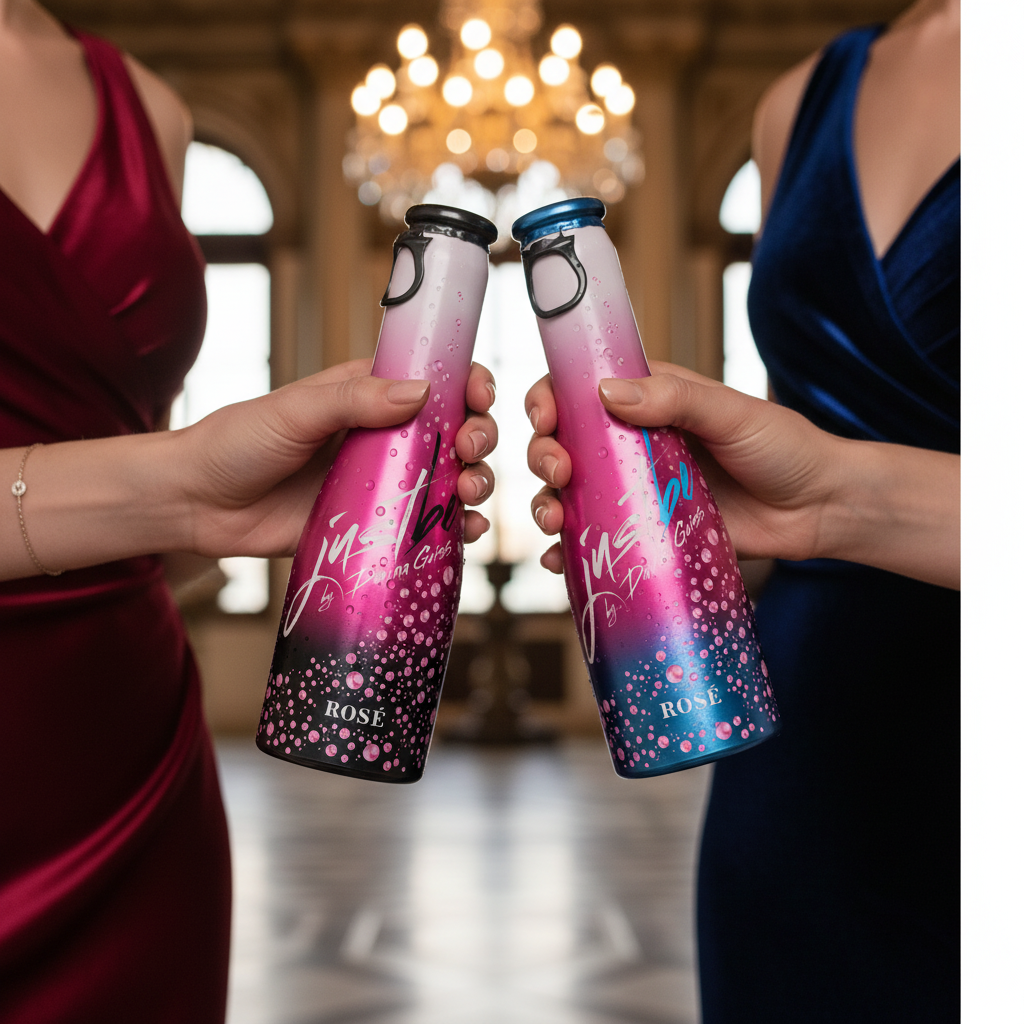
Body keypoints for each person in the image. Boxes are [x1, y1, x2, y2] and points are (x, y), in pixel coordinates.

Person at [0, 3, 497, 1020]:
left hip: (132, 755)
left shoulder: (150, 108)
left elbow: (144, 464)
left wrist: (215, 506)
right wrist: (181, 487)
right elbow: (161, 479)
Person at [526, 0, 959, 1019]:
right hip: (802, 727)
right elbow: (795, 445)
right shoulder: (793, 105)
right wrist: (673, 538)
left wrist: (835, 492)